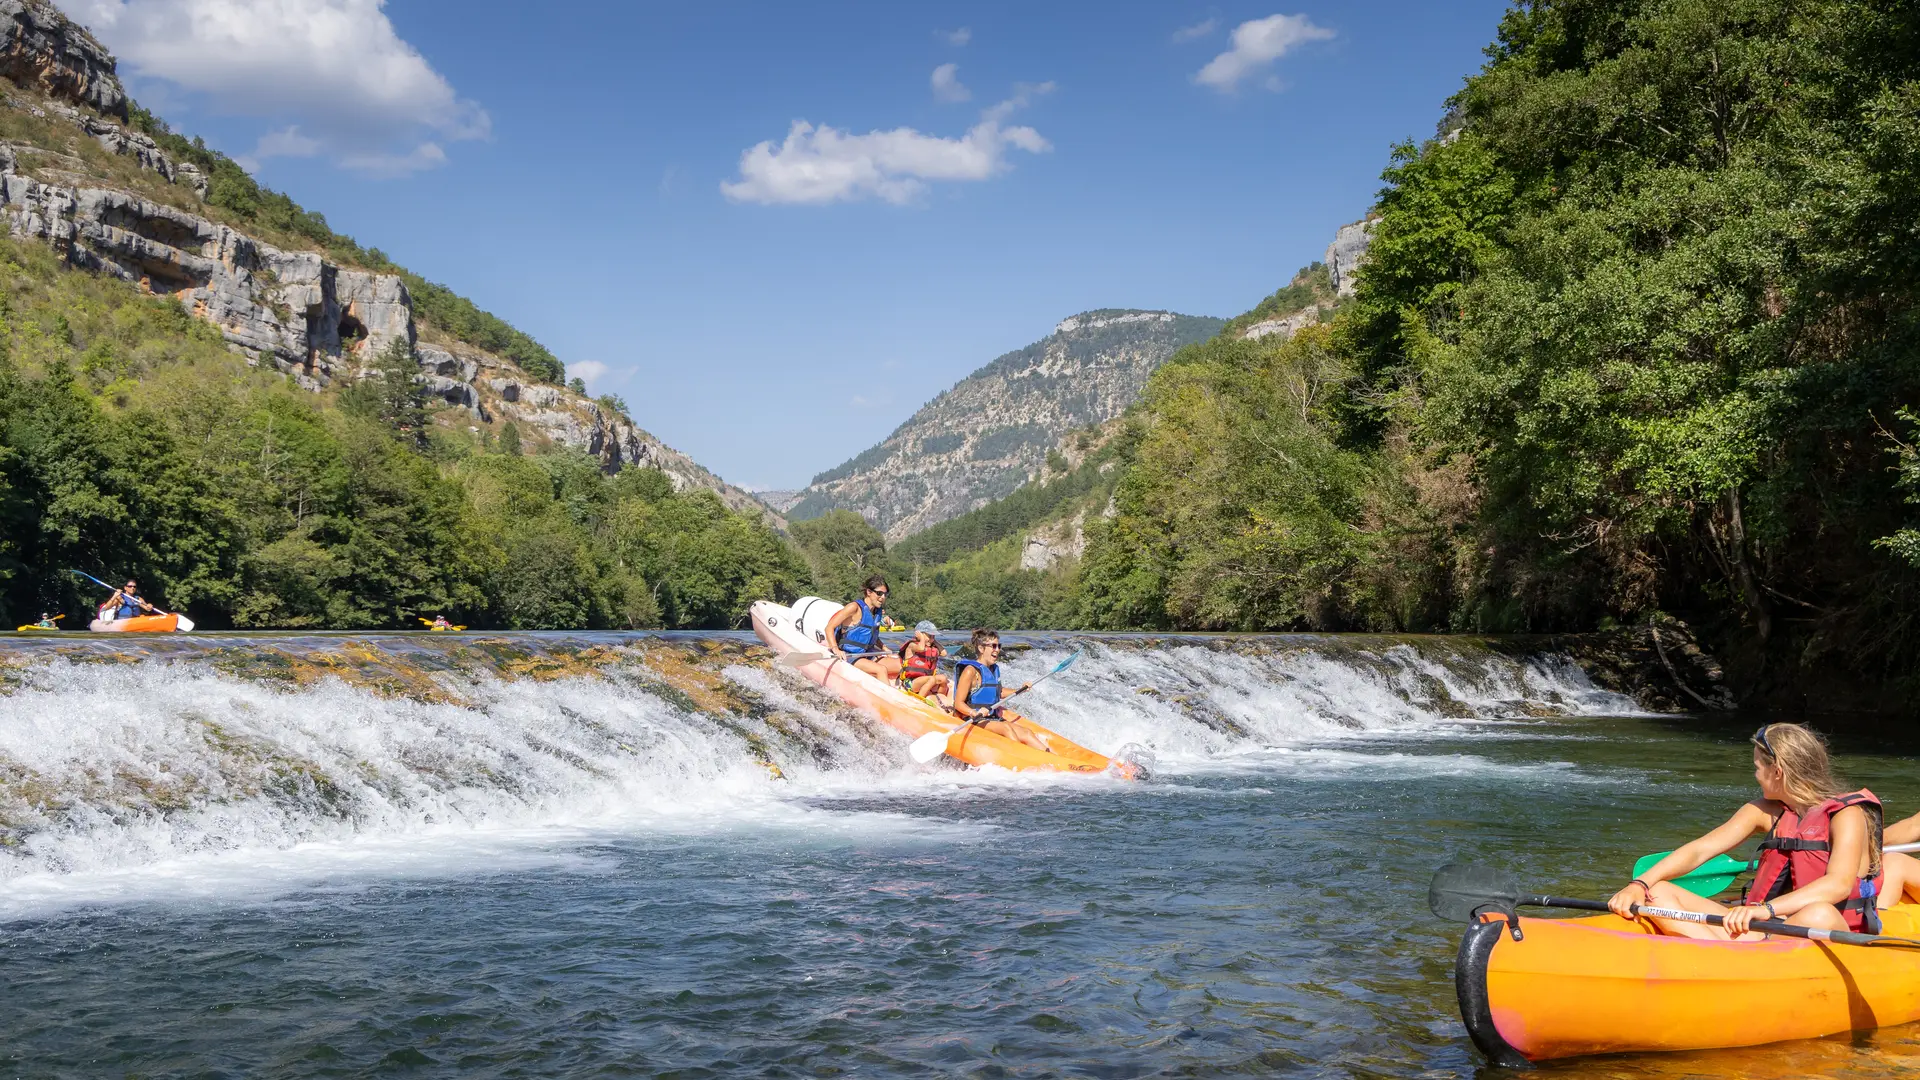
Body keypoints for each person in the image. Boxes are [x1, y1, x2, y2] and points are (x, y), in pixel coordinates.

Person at [1608, 723, 1885, 939]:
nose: (1755, 776)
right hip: (1764, 926)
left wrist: (1766, 910)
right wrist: (1639, 884)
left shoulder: (1846, 815)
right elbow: (1700, 850)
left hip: (1821, 928)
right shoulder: (1763, 811)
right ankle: (1721, 958)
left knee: (1818, 913)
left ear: (1777, 772)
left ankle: (1728, 956)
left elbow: (1838, 885)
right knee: (1658, 892)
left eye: (1757, 768)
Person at [950, 628, 1051, 753]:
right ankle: (1022, 756)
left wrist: (1021, 689)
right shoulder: (970, 671)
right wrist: (973, 713)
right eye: (993, 646)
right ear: (981, 648)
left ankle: (1051, 757)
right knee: (1006, 728)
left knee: (1027, 732)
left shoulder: (993, 669)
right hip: (973, 719)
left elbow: (999, 692)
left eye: (999, 646)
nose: (997, 650)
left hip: (991, 717)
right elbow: (958, 703)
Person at [821, 575, 902, 680]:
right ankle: (882, 686)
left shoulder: (877, 612)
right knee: (881, 669)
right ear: (869, 592)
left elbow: (871, 635)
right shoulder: (854, 608)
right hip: (850, 655)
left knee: (900, 665)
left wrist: (885, 649)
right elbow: (829, 628)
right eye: (879, 593)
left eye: (885, 594)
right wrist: (835, 649)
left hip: (868, 653)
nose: (883, 597)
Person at [898, 621, 951, 708]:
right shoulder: (912, 645)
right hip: (911, 682)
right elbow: (921, 648)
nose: (931, 639)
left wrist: (933, 641)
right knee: (932, 679)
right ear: (919, 634)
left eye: (933, 637)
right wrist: (922, 638)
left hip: (926, 680)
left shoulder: (932, 648)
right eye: (929, 636)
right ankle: (919, 701)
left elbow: (944, 653)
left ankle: (940, 698)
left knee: (943, 678)